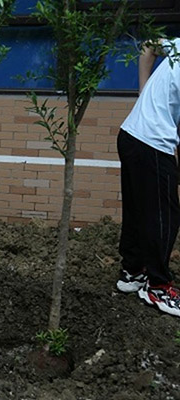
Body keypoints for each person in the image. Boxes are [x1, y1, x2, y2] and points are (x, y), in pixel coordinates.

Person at [116, 37, 180, 317]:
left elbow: (149, 44)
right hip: (153, 143)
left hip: (130, 134)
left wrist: (142, 92)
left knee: (137, 208)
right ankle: (159, 286)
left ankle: (132, 272)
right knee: (165, 216)